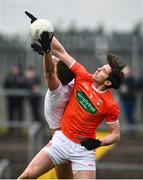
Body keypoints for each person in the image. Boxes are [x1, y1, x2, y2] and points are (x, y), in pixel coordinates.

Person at [18, 12, 126, 179]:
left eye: (103, 70)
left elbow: (115, 134)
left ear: (109, 82)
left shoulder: (110, 104)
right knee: (26, 176)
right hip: (62, 141)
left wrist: (98, 142)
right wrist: (44, 30)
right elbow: (61, 52)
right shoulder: (83, 76)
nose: (98, 69)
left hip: (83, 151)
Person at [3, 64, 26, 135]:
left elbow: (25, 85)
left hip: (19, 100)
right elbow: (5, 85)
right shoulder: (8, 77)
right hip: (11, 100)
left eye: (16, 69)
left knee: (20, 114)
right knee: (10, 114)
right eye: (14, 69)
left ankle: (20, 130)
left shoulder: (22, 77)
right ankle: (10, 130)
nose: (15, 70)